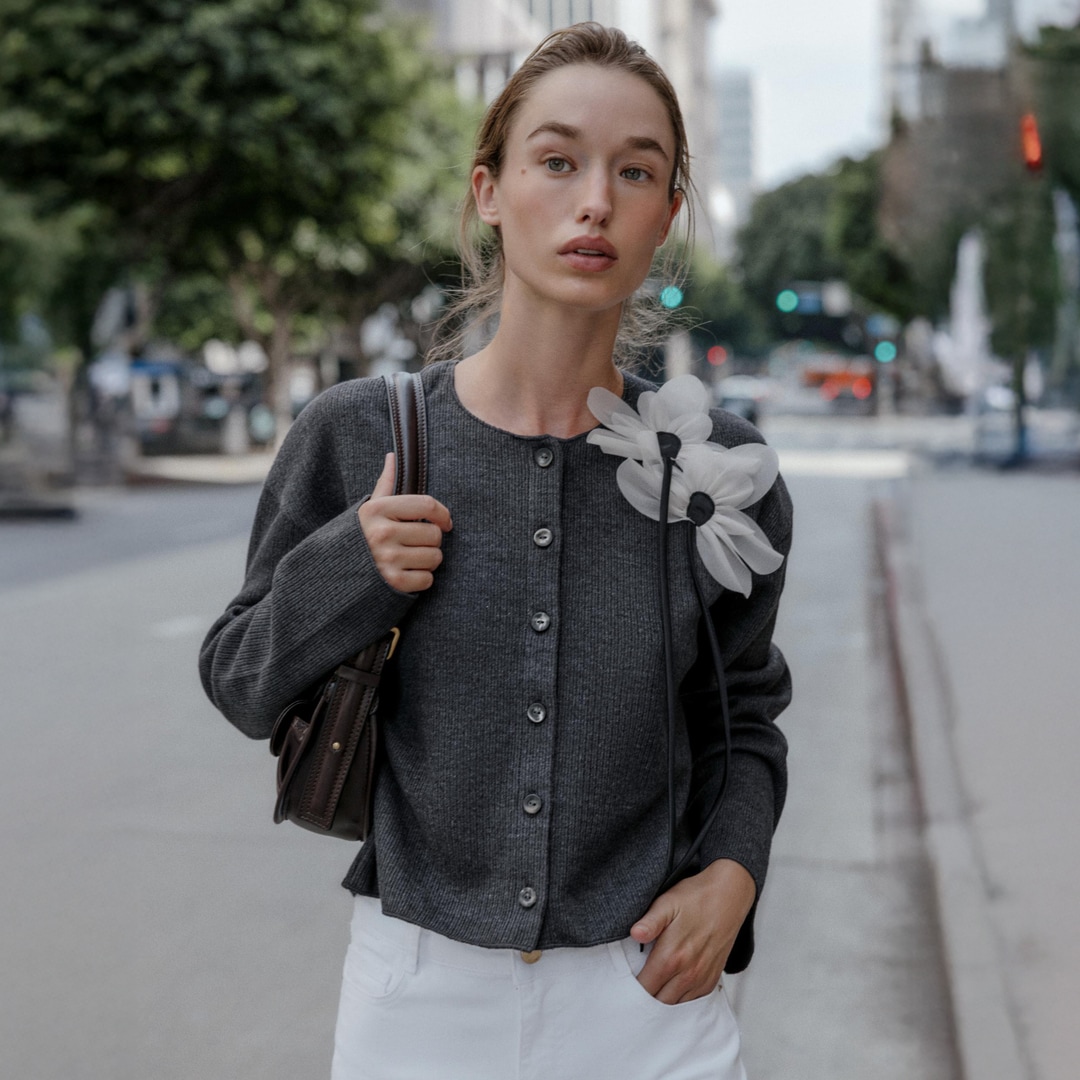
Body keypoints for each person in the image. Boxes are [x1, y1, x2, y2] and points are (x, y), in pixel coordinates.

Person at [199, 22, 792, 1080]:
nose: (595, 200)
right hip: (419, 996)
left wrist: (736, 871)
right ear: (489, 191)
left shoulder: (721, 469)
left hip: (648, 992)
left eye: (636, 171)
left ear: (668, 215)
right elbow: (241, 680)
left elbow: (744, 712)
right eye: (557, 161)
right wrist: (353, 566)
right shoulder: (357, 434)